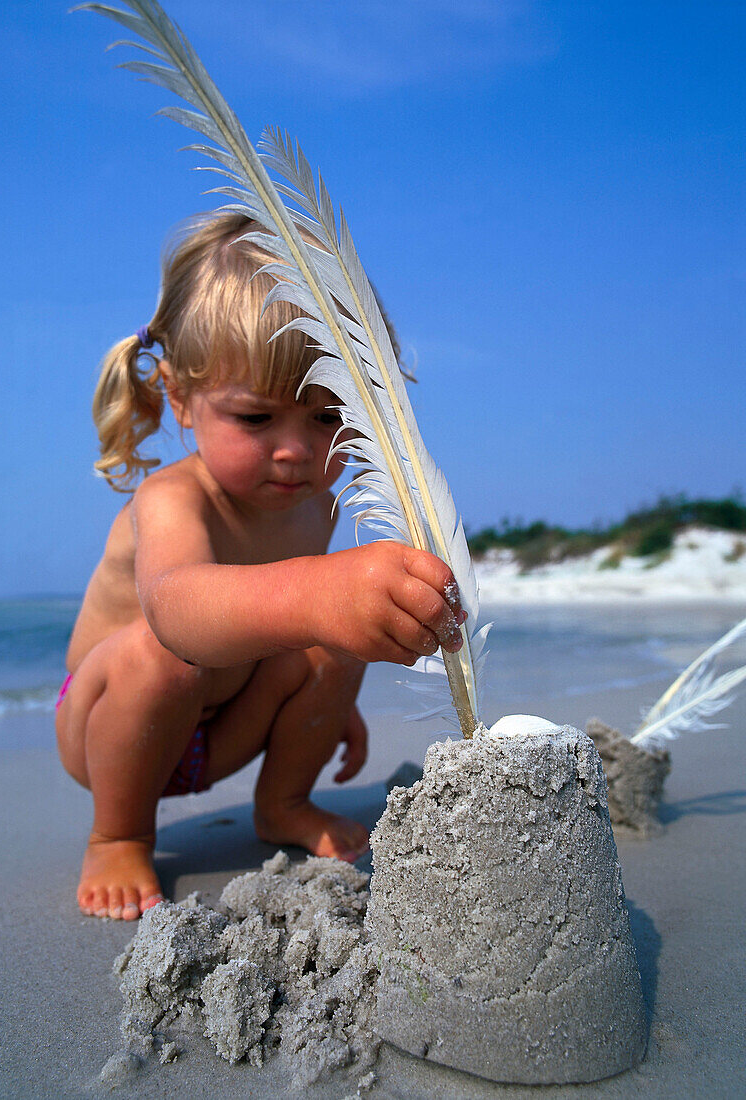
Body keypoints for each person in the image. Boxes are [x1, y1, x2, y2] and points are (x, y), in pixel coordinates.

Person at [56, 211, 466, 921]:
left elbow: (300, 636)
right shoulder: (173, 498)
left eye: (327, 417)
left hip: (222, 734)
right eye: (255, 419)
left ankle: (283, 804)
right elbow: (177, 608)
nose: (297, 452)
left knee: (334, 639)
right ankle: (117, 835)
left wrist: (328, 701)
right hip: (113, 736)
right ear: (180, 398)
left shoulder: (315, 508)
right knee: (163, 656)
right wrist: (318, 594)